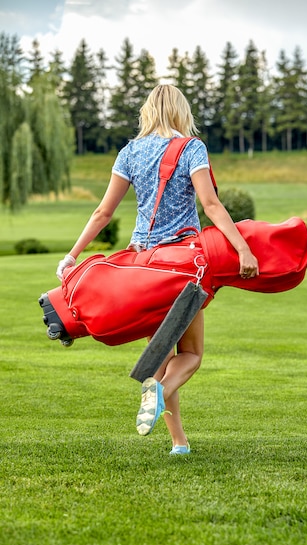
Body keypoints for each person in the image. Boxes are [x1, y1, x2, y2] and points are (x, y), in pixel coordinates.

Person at [56, 84, 259, 456]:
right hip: (183, 265)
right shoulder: (191, 148)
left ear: (147, 112)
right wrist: (242, 248)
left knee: (161, 356)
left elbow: (103, 213)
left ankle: (179, 443)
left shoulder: (130, 152)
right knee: (192, 355)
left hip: (142, 268)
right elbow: (211, 205)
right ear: (182, 112)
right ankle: (162, 394)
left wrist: (71, 255)